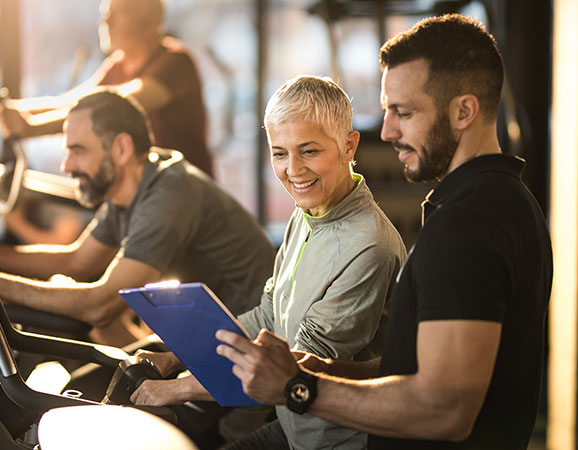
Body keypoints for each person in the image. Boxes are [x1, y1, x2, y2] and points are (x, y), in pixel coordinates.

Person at [215, 14, 553, 450]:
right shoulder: (504, 200)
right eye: (388, 110)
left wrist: (297, 390)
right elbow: (412, 369)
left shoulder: (468, 227)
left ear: (464, 111)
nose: (389, 131)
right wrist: (320, 369)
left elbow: (444, 409)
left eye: (404, 113)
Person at [130, 75, 407, 449]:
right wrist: (175, 357)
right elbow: (267, 318)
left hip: (336, 441)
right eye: (280, 153)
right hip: (292, 426)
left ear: (348, 145)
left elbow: (300, 365)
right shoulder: (307, 211)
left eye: (309, 151)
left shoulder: (367, 245)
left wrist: (177, 390)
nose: (293, 170)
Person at [0, 90, 274, 347]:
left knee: (97, 323)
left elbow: (100, 306)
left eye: (78, 150)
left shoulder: (169, 193)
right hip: (204, 344)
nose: (67, 166)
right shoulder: (128, 191)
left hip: (248, 355)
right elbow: (77, 262)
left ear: (121, 148)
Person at [0, 0, 212, 176]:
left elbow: (117, 104)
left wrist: (33, 127)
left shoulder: (176, 62)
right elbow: (71, 101)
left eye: (118, 15)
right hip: (150, 192)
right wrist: (14, 110)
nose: (105, 22)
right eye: (105, 14)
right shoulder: (117, 65)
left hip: (187, 194)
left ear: (150, 22)